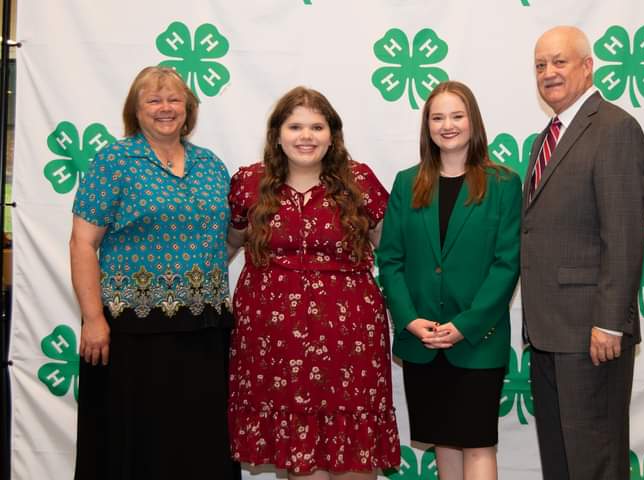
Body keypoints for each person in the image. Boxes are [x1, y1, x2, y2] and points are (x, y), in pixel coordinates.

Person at [69, 66, 235, 479]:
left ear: (188, 109)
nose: (166, 108)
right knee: (133, 444)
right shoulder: (115, 161)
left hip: (205, 331)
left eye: (174, 99)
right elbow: (82, 243)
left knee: (198, 444)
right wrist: (93, 319)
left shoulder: (211, 165)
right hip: (131, 334)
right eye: (154, 100)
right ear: (136, 110)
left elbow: (226, 239)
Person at [226, 86, 400, 479]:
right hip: (274, 343)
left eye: (317, 126)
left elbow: (393, 250)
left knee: (353, 456)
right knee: (299, 461)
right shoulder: (249, 183)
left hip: (349, 341)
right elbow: (227, 245)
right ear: (277, 134)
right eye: (295, 126)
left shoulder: (359, 181)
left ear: (332, 134)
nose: (306, 136)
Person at [522, 26, 644, 479]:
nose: (549, 73)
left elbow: (625, 233)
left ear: (587, 66)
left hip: (591, 335)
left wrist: (610, 322)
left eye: (560, 61)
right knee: (561, 460)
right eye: (540, 65)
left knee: (594, 461)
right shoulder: (547, 138)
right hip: (547, 332)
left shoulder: (615, 128)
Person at [376, 80, 521, 480]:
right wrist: (408, 319)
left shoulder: (504, 183)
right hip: (423, 339)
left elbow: (507, 265)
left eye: (457, 115)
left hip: (477, 341)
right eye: (437, 117)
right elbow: (390, 259)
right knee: (443, 441)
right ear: (427, 126)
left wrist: (464, 325)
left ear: (473, 122)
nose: (447, 125)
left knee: (477, 444)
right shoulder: (407, 183)